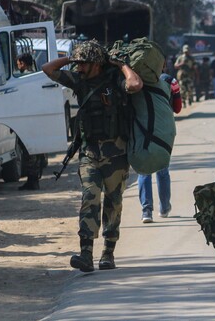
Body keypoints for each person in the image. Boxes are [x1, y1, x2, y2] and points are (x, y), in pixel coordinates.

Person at [42, 40, 143, 273]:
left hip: (116, 154)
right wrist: (73, 58)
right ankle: (86, 253)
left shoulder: (115, 81)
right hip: (89, 153)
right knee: (89, 196)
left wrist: (120, 66)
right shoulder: (79, 81)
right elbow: (48, 69)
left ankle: (108, 252)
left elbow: (135, 84)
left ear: (96, 64)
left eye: (83, 63)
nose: (78, 68)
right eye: (77, 64)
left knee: (113, 202)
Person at [139, 73, 182, 223]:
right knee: (162, 169)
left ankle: (146, 211)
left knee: (143, 169)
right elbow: (177, 108)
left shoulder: (136, 79)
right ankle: (164, 208)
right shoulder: (170, 81)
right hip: (163, 130)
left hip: (142, 130)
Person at [16, 53, 44, 190]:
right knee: (35, 151)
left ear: (22, 63)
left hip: (28, 118)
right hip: (35, 117)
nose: (17, 65)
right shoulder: (35, 75)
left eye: (18, 63)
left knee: (29, 151)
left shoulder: (24, 77)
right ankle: (34, 180)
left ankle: (32, 181)